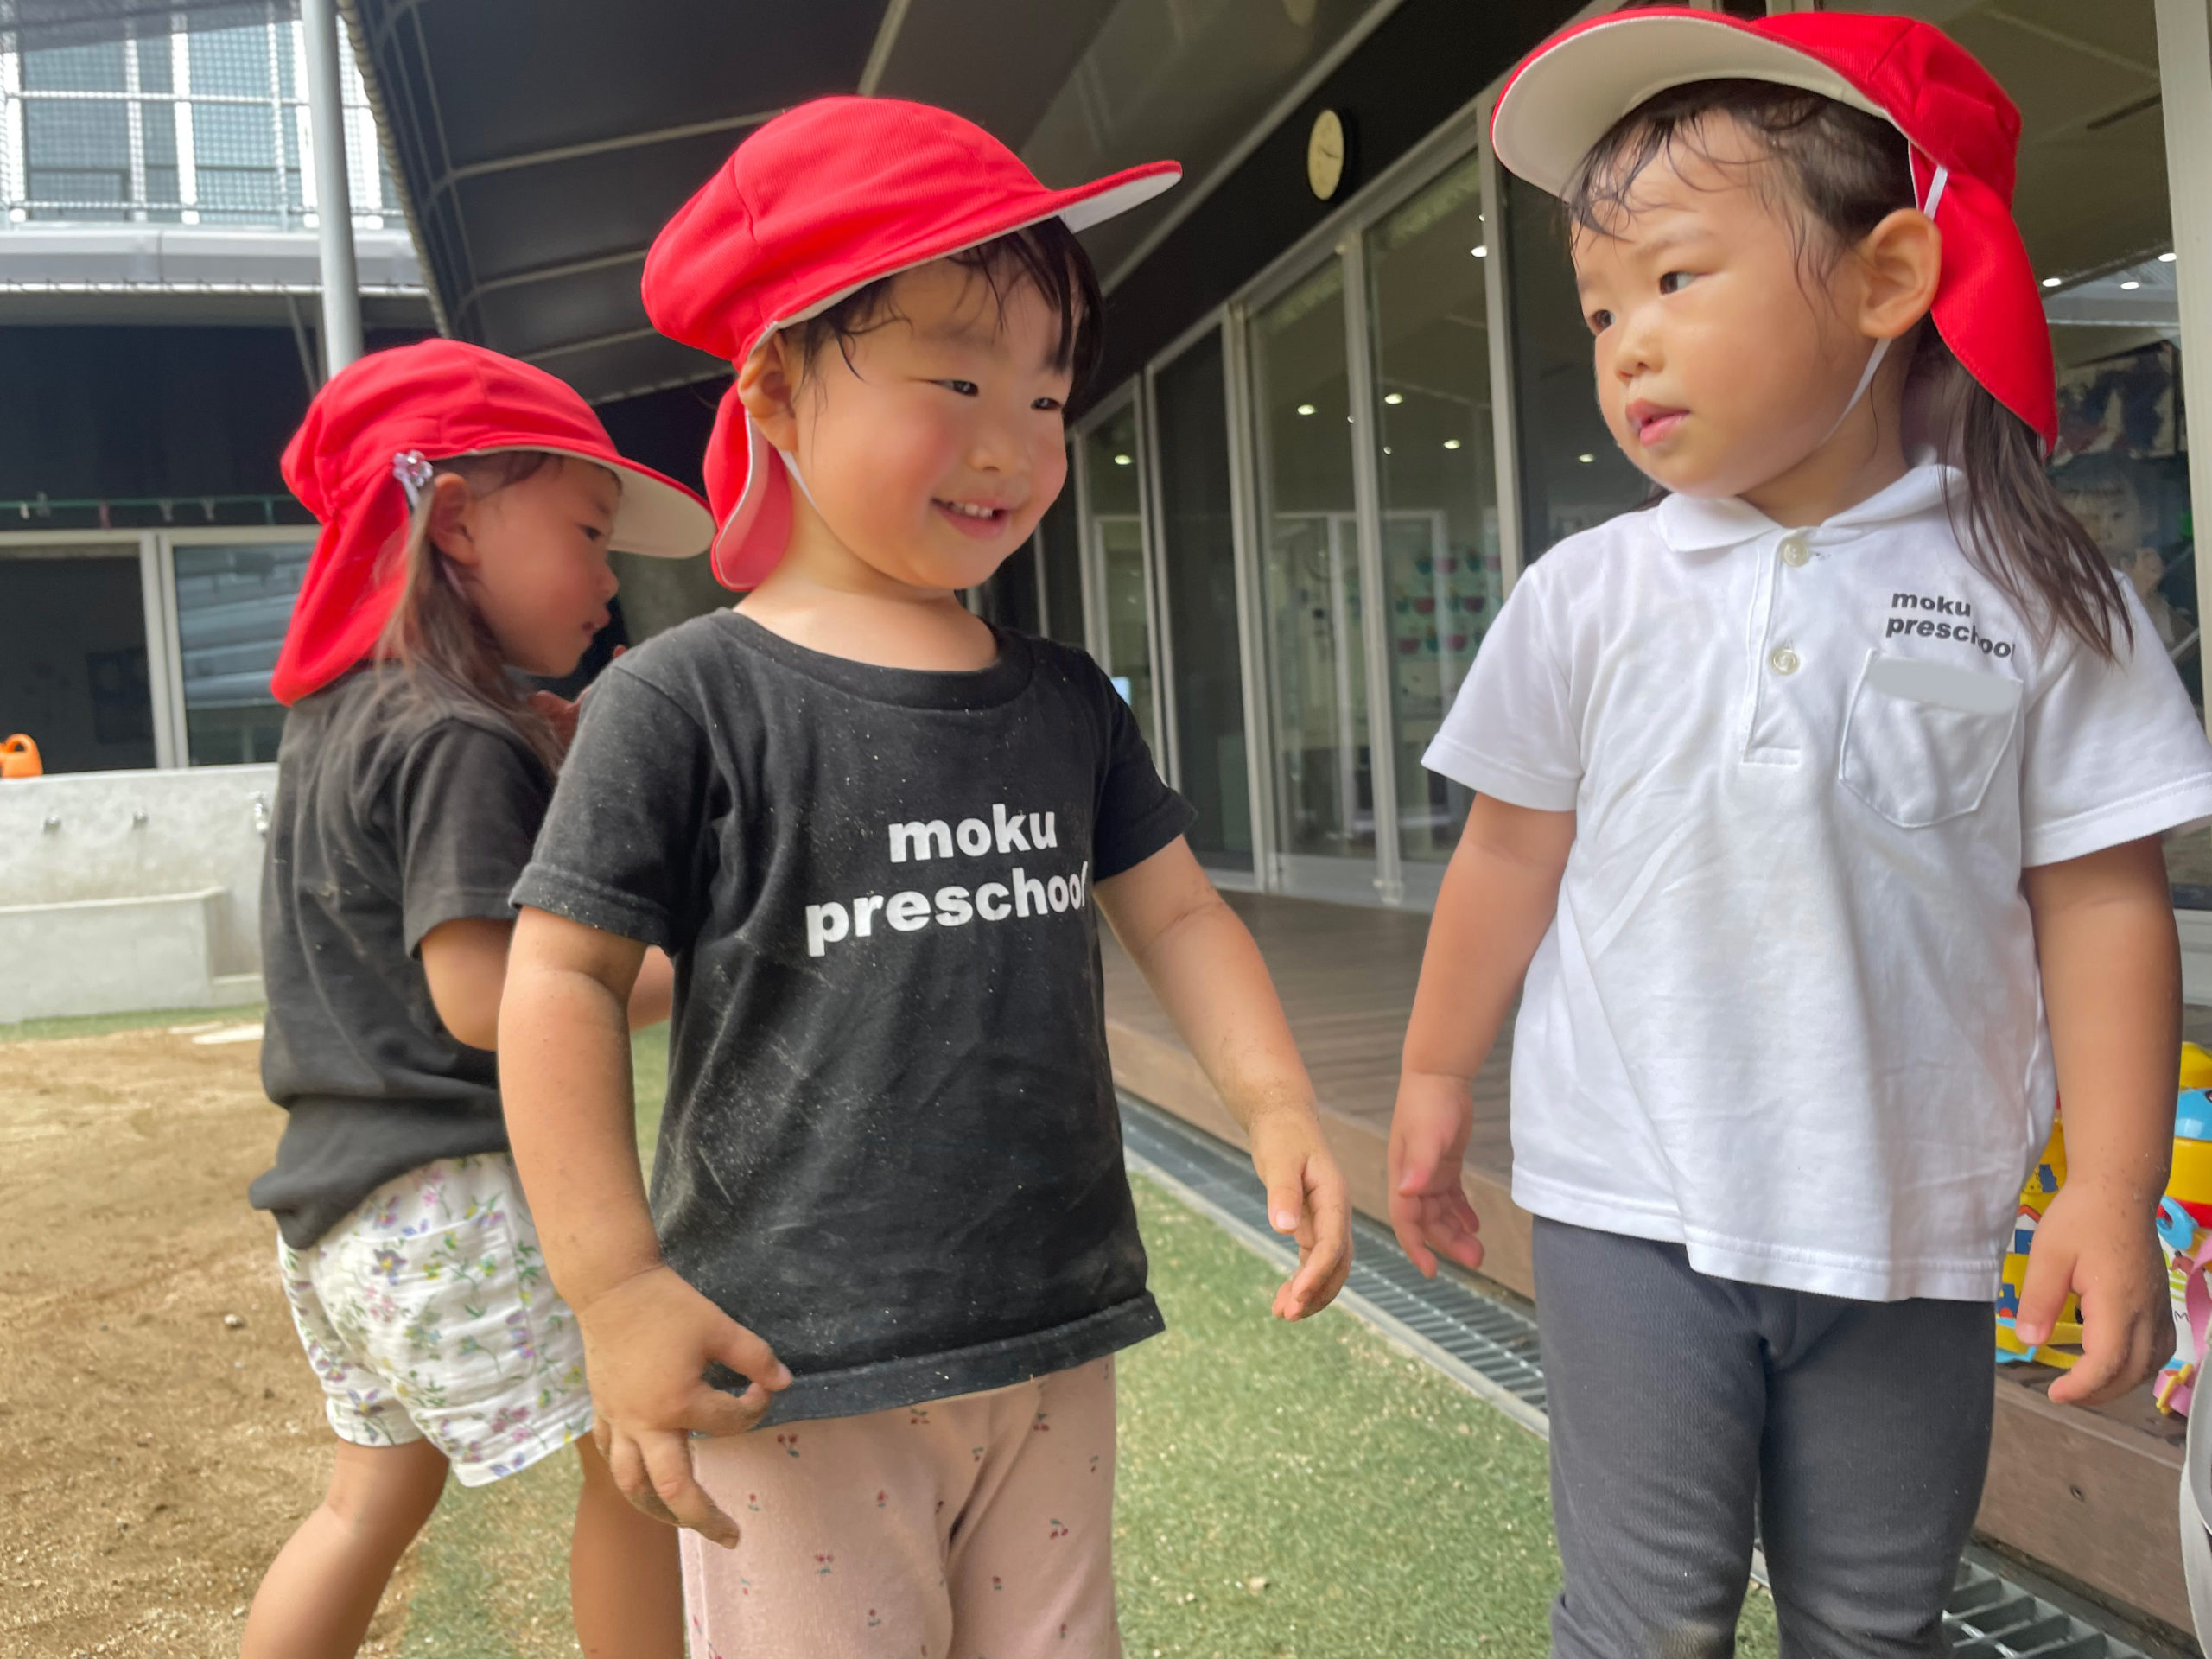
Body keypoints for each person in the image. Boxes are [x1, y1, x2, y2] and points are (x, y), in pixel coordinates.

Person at [1385, 11, 2212, 1655]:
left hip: (1913, 1218)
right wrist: (1429, 1080)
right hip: (1628, 1195)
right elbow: (1508, 854)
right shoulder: (1587, 595)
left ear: (1889, 277)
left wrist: (2112, 1187)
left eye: (1676, 279)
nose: (1626, 345)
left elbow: (2101, 903)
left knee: (1875, 1621)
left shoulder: (2041, 595)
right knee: (1643, 1619)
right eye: (1601, 307)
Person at [496, 98, 1352, 1658]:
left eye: (1046, 392)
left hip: (1051, 1320)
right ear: (774, 391)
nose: (1011, 440)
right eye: (956, 381)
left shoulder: (1065, 698)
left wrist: (1278, 1103)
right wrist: (612, 1288)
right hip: (785, 1355)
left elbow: (1177, 909)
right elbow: (558, 977)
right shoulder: (682, 698)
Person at [240, 339, 715, 1659]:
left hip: (333, 1213)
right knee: (640, 1461)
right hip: (454, 1196)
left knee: (364, 1505)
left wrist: (537, 751)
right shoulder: (454, 737)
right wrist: (695, 967)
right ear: (454, 522)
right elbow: (483, 995)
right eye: (589, 531)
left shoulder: (341, 717)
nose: (611, 577)